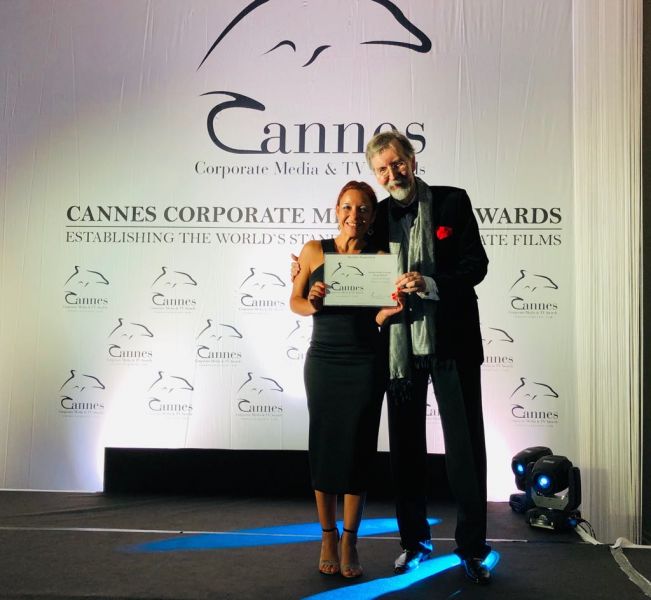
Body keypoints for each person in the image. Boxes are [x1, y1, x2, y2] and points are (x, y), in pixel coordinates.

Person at [365, 130, 491, 584]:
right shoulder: (377, 217)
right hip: (400, 348)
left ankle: (473, 548)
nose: (392, 174)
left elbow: (476, 265)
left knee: (465, 449)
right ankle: (414, 542)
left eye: (397, 163)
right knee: (405, 450)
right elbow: (356, 271)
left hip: (452, 342)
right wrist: (309, 270)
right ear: (375, 175)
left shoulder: (453, 202)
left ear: (413, 159)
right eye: (382, 169)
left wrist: (431, 283)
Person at [290, 180, 404, 579]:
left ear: (372, 217)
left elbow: (376, 315)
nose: (354, 215)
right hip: (324, 360)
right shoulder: (313, 250)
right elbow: (295, 302)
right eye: (347, 207)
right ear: (336, 210)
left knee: (359, 449)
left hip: (365, 362)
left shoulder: (381, 258)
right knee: (324, 447)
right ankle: (327, 535)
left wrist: (389, 313)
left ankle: (350, 539)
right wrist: (313, 302)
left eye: (363, 209)